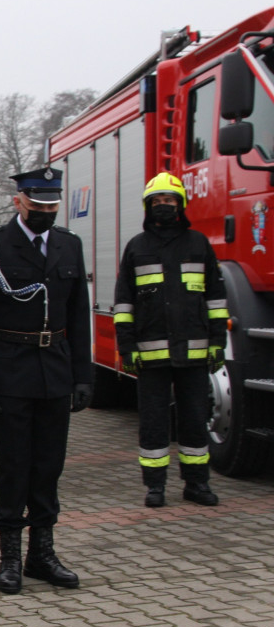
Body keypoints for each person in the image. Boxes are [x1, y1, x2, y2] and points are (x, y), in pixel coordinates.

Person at [0, 167, 92, 595]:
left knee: (48, 467)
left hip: (54, 372)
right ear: (18, 201)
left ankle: (43, 554)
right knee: (14, 468)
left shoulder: (69, 245)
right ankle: (10, 558)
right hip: (9, 373)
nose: (44, 214)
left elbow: (78, 316)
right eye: (37, 206)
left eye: (52, 207)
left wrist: (82, 376)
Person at [114, 172, 228, 508]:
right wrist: (127, 346)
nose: (164, 206)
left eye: (170, 201)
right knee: (153, 422)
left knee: (195, 417)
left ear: (181, 204)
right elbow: (124, 303)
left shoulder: (198, 244)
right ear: (148, 207)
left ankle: (197, 483)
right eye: (158, 202)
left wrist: (218, 342)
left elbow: (216, 299)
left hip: (193, 353)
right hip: (150, 357)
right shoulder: (137, 247)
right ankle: (155, 486)